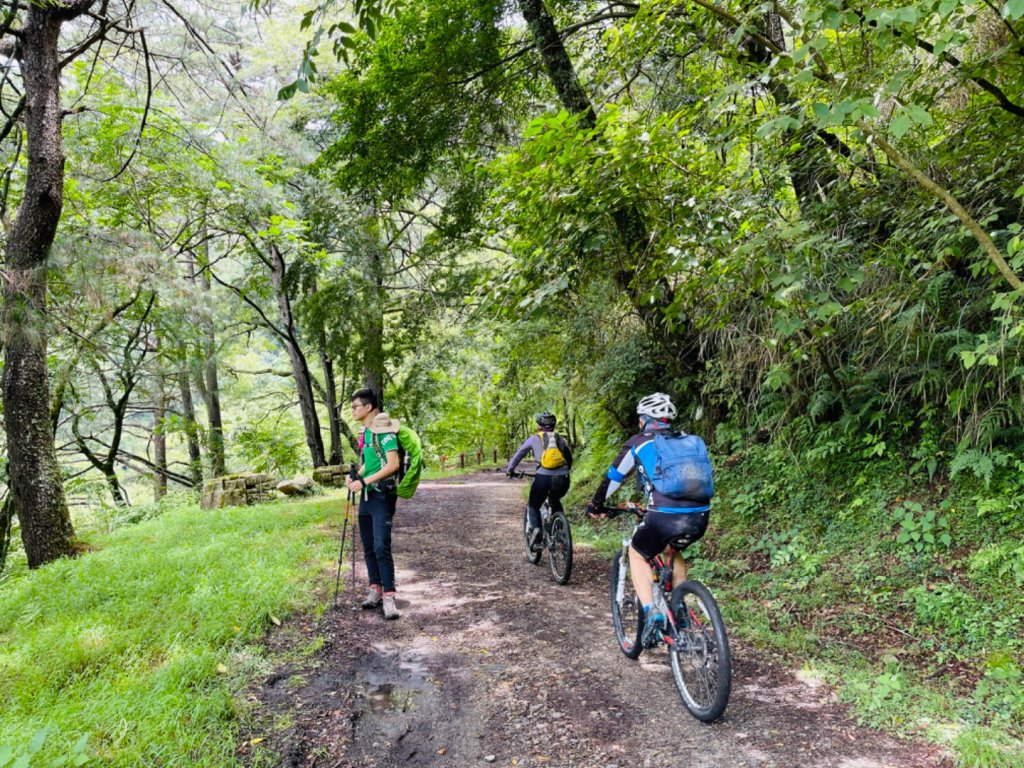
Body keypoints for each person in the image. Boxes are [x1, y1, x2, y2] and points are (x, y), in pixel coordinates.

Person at [586, 393, 710, 647]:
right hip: (700, 516)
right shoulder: (687, 441)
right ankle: (679, 606)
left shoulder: (639, 442)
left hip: (663, 515)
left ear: (643, 420)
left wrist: (595, 505)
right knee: (672, 550)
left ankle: (651, 611)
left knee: (637, 553)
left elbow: (613, 478)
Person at [346, 388, 402, 620]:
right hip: (366, 497)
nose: (352, 410)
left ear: (368, 407)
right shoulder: (366, 433)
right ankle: (375, 589)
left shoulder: (385, 432)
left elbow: (393, 465)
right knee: (368, 546)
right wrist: (356, 476)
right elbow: (369, 464)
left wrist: (365, 481)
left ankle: (389, 596)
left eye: (355, 406)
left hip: (381, 496)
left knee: (381, 546)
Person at [506, 412, 573, 551]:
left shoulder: (533, 439)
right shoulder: (561, 439)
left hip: (543, 477)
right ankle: (561, 533)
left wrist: (510, 470)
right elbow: (569, 458)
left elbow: (519, 454)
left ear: (539, 426)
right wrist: (564, 471)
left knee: (533, 505)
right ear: (554, 425)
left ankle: (537, 532)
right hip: (563, 479)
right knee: (555, 500)